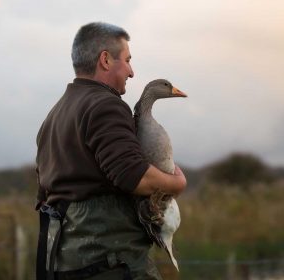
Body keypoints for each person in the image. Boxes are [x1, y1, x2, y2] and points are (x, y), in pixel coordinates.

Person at [35, 22, 187, 280]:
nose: (131, 72)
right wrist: (177, 183)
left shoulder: (56, 114)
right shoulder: (105, 105)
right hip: (110, 264)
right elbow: (133, 176)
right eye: (127, 60)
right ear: (105, 60)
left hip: (64, 263)